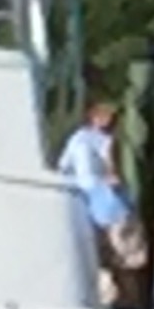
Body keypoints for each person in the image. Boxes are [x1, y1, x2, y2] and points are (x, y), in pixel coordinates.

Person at [57, 99, 139, 295]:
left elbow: (63, 165)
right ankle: (127, 281)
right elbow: (110, 164)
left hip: (80, 191)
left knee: (98, 242)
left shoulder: (77, 137)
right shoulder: (105, 140)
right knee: (121, 238)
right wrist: (115, 179)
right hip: (101, 192)